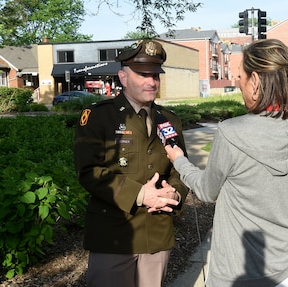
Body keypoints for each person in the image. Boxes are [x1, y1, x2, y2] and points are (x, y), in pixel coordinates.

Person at [165, 39, 288, 287]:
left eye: (240, 77)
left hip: (239, 271)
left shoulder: (230, 133)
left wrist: (180, 161)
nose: (238, 84)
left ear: (255, 81)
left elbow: (206, 190)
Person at [74, 40, 189, 287]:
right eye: (143, 74)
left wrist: (175, 194)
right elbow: (89, 172)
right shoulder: (98, 117)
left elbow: (181, 169)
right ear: (123, 77)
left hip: (156, 234)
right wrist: (139, 194)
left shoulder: (169, 120)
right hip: (114, 236)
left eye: (156, 75)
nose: (152, 82)